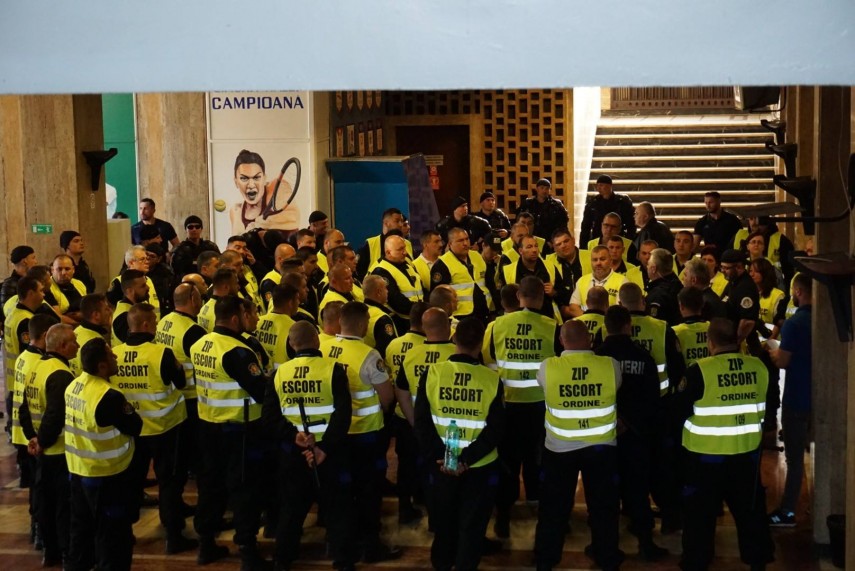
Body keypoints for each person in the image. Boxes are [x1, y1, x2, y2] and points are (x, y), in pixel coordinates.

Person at [674, 318, 774, 570]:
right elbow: (771, 406)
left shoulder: (699, 371)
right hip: (746, 456)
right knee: (751, 514)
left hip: (705, 459)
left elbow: (677, 412)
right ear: (736, 339)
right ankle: (758, 562)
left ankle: (696, 563)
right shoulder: (758, 366)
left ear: (710, 342)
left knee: (699, 517)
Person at [414, 317, 504, 571]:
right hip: (479, 466)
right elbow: (495, 430)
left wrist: (446, 458)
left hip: (441, 464)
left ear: (454, 339)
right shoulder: (491, 379)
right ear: (481, 344)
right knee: (472, 526)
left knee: (443, 522)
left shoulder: (432, 373)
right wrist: (464, 459)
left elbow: (422, 423)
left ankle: (442, 564)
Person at [263, 321, 353, 570]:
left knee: (291, 508)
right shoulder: (333, 370)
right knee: (337, 508)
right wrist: (324, 448)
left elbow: (269, 417)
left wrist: (294, 437)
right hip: (328, 453)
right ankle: (343, 560)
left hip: (294, 453)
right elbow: (342, 415)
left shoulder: (279, 373)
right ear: (317, 340)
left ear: (291, 344)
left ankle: (283, 559)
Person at [534, 320, 623, 571]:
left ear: (562, 341)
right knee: (604, 507)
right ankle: (607, 557)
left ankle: (546, 559)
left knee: (553, 507)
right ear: (590, 339)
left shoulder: (548, 367)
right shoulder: (610, 365)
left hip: (559, 448)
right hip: (601, 447)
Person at [190, 295, 270, 567]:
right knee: (244, 488)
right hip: (239, 430)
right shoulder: (237, 352)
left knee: (211, 486)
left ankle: (206, 543)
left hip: (208, 424)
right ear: (236, 318)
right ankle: (247, 550)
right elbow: (260, 391)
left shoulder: (201, 344)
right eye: (247, 315)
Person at [320, 302, 400, 563]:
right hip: (366, 434)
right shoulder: (369, 355)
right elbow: (387, 397)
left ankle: (338, 542)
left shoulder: (323, 348)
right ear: (363, 324)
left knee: (340, 492)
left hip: (333, 434)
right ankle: (370, 546)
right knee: (368, 492)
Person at [112, 303, 194, 553]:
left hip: (133, 430)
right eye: (155, 322)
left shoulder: (115, 353)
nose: (157, 326)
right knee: (169, 482)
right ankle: (173, 535)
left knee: (131, 483)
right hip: (164, 427)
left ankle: (125, 533)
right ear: (146, 324)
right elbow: (181, 383)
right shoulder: (161, 353)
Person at [484, 277, 558, 538]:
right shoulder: (552, 326)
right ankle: (541, 510)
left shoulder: (497, 326)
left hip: (507, 405)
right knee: (537, 459)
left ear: (518, 297)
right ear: (542, 297)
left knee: (507, 461)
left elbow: (489, 362)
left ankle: (504, 516)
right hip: (540, 406)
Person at [595, 306, 669, 561]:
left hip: (605, 433)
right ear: (628, 326)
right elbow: (653, 398)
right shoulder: (643, 357)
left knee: (605, 492)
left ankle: (603, 548)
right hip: (637, 433)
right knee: (638, 489)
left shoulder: (598, 356)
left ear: (606, 327)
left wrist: (614, 420)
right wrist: (633, 423)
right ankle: (646, 543)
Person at [64, 337, 143, 571]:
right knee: (113, 538)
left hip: (79, 470)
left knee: (81, 532)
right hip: (107, 476)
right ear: (101, 366)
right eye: (110, 355)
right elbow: (135, 426)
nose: (116, 356)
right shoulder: (108, 396)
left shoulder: (74, 386)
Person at [18, 323, 77, 565]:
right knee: (63, 506)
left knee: (45, 503)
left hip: (41, 450)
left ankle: (49, 551)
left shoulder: (37, 367)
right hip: (58, 451)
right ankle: (66, 553)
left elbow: (23, 408)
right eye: (73, 342)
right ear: (62, 346)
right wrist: (41, 441)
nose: (78, 346)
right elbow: (55, 415)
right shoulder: (60, 374)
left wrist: (32, 438)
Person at [388, 303, 442, 523]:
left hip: (405, 417)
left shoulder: (397, 347)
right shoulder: (443, 351)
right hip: (436, 423)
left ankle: (405, 507)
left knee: (406, 465)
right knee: (434, 468)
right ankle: (433, 511)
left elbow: (399, 388)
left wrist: (413, 421)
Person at [767, 274, 812, 527]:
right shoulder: (825, 320)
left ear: (798, 291)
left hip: (796, 397)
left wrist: (773, 352)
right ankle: (822, 506)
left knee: (794, 460)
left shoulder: (794, 324)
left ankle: (787, 512)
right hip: (821, 397)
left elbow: (783, 361)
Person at [155, 283, 206, 477]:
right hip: (192, 397)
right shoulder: (193, 330)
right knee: (194, 444)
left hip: (173, 393)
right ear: (193, 299)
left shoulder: (164, 321)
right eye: (199, 297)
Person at [5, 277, 45, 435]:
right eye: (41, 291)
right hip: (24, 378)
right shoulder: (26, 321)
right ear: (31, 293)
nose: (43, 295)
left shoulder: (13, 313)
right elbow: (30, 353)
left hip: (14, 376)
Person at [229, 149, 300, 235]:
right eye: (244, 178)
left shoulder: (278, 188)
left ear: (264, 178)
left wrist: (257, 225)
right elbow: (237, 239)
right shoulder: (236, 211)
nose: (251, 185)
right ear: (236, 182)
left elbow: (292, 219)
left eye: (256, 177)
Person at [497, 234, 566, 320]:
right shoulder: (508, 271)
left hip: (546, 318)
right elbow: (503, 300)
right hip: (519, 319)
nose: (534, 250)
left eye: (536, 246)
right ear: (520, 251)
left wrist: (554, 293)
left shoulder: (550, 267)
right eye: (529, 247)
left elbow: (564, 294)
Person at [430, 227, 491, 323]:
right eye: (460, 241)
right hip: (460, 316)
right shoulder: (442, 264)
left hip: (484, 312)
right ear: (450, 244)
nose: (465, 243)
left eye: (467, 239)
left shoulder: (477, 256)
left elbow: (488, 282)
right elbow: (439, 298)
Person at [371, 234, 424, 332]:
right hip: (399, 323)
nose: (405, 252)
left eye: (404, 248)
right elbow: (395, 300)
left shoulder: (408, 266)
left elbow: (421, 289)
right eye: (400, 249)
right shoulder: (381, 271)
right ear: (388, 252)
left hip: (416, 320)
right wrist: (422, 310)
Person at [567, 246, 628, 316]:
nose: (598, 263)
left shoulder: (622, 281)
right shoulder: (582, 281)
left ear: (611, 261)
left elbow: (622, 310)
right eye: (595, 260)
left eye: (602, 259)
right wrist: (590, 319)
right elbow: (573, 307)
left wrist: (601, 320)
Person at [719, 249, 760, 349]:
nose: (722, 271)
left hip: (742, 345)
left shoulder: (745, 287)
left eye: (726, 268)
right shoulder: (733, 282)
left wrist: (735, 343)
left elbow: (747, 321)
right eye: (722, 267)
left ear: (739, 267)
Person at [356, 208, 414, 278]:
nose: (400, 224)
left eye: (401, 221)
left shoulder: (407, 244)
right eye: (397, 221)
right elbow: (359, 272)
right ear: (386, 223)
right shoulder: (370, 244)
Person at [580, 174, 635, 245]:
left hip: (618, 239)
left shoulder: (622, 202)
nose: (598, 188)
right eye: (597, 186)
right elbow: (586, 226)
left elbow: (631, 224)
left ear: (609, 186)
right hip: (598, 238)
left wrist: (628, 242)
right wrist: (583, 245)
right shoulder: (593, 202)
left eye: (601, 185)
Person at [106, 246, 161, 317]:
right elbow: (111, 307)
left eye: (147, 259)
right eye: (142, 259)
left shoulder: (148, 280)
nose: (147, 262)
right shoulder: (118, 281)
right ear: (131, 263)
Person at [255, 283, 299, 369]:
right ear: (290, 303)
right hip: (283, 374)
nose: (299, 303)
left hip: (261, 372)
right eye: (297, 299)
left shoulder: (257, 322)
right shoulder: (294, 328)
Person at [516, 178, 570, 244]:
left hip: (550, 240)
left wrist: (554, 240)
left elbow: (562, 224)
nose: (544, 191)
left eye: (547, 188)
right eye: (542, 188)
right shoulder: (528, 204)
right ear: (537, 189)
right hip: (531, 239)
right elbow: (519, 221)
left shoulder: (556, 205)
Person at [70, 294, 112, 375]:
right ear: (96, 315)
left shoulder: (76, 332)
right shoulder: (97, 343)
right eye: (106, 309)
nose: (110, 312)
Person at [546, 229, 591, 305]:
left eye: (566, 241)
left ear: (573, 240)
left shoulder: (590, 256)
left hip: (587, 304)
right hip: (561, 306)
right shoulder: (548, 262)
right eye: (559, 244)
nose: (563, 246)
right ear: (554, 248)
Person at [171, 215, 221, 279]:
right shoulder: (180, 250)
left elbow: (220, 265)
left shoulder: (210, 246)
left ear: (201, 229)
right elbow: (176, 273)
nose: (194, 229)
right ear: (186, 230)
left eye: (197, 227)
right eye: (190, 227)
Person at [673, 287, 711, 367]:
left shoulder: (675, 332)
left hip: (686, 373)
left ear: (681, 306)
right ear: (702, 304)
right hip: (709, 372)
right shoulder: (712, 328)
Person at [361, 274, 399, 357]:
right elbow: (388, 349)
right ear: (378, 292)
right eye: (385, 288)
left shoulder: (358, 311)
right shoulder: (382, 318)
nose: (387, 291)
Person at [645, 248, 683, 326]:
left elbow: (654, 325)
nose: (647, 267)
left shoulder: (657, 295)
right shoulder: (679, 286)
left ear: (653, 268)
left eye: (648, 264)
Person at [111, 269, 150, 346]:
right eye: (143, 286)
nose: (148, 287)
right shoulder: (124, 317)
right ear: (130, 291)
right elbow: (135, 346)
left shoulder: (131, 308)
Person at [750, 258, 786, 340]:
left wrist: (769, 343)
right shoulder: (748, 294)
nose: (752, 274)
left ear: (765, 273)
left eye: (756, 271)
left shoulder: (777, 295)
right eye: (751, 271)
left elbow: (778, 324)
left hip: (771, 343)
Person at [197, 267, 240, 333]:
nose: (238, 287)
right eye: (236, 283)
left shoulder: (203, 308)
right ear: (226, 287)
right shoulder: (223, 314)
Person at [48, 254, 86, 324]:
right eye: (59, 269)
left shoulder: (79, 284)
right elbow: (57, 317)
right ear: (52, 270)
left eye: (67, 269)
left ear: (73, 270)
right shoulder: (47, 287)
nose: (63, 273)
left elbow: (88, 310)